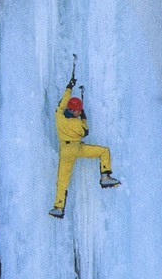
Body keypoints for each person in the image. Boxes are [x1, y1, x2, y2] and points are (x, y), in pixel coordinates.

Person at [50, 78, 120, 219]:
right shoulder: (77, 124)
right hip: (77, 148)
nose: (79, 112)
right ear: (74, 110)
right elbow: (85, 132)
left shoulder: (59, 115)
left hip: (65, 150)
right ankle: (105, 177)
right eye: (78, 110)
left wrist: (69, 87)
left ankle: (58, 207)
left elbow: (62, 102)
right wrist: (83, 117)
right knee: (103, 151)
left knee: (62, 180)